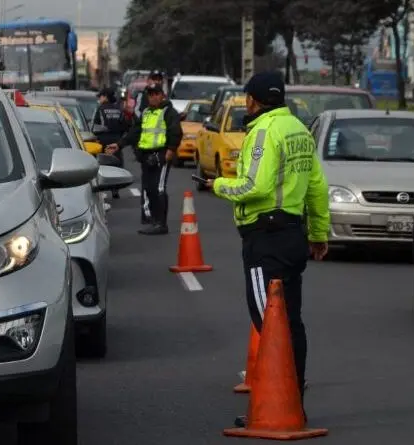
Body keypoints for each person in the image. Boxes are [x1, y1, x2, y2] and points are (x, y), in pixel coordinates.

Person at [205, 71, 330, 427]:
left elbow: (254, 186)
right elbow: (317, 188)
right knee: (291, 322)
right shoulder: (298, 131)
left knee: (270, 324)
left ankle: (278, 406)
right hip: (293, 235)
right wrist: (319, 234)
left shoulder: (263, 131)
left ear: (254, 100)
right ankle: (293, 405)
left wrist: (219, 185)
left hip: (266, 238)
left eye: (248, 98)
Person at [105, 82, 182, 234]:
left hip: (161, 154)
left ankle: (161, 224)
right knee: (149, 189)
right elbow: (135, 132)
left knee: (159, 189)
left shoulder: (169, 112)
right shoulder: (146, 112)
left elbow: (176, 132)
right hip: (146, 156)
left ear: (162, 95)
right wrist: (119, 145)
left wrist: (171, 150)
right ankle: (153, 221)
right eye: (150, 94)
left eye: (156, 94)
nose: (153, 97)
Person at [93, 87, 129, 199]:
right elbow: (125, 125)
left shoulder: (100, 109)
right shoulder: (118, 109)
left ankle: (103, 190)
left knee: (102, 164)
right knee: (116, 164)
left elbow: (94, 126)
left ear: (105, 97)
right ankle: (115, 189)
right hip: (116, 139)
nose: (99, 99)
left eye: (101, 96)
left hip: (103, 139)